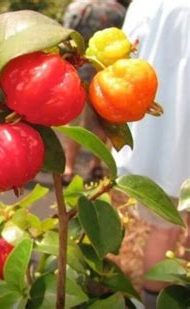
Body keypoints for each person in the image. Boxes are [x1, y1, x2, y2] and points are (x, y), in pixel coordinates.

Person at [114, 0, 190, 306]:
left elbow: (121, 59)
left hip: (151, 132)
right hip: (179, 130)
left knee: (162, 228)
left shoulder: (145, 4)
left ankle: (152, 301)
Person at [61, 0, 127, 184]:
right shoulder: (119, 11)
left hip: (76, 75)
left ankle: (68, 168)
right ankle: (94, 165)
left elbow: (63, 40)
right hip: (107, 77)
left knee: (76, 123)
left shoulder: (77, 8)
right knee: (102, 122)